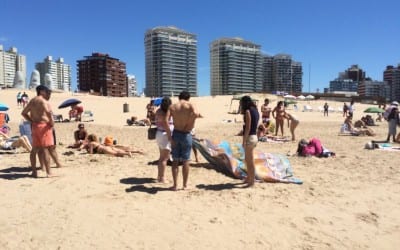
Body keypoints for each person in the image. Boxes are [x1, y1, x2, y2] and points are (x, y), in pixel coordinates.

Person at [165, 91, 202, 191]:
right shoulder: (190, 105)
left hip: (176, 133)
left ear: (179, 97)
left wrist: (169, 137)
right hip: (186, 134)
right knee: (186, 160)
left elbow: (166, 121)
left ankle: (175, 185)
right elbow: (195, 113)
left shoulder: (172, 107)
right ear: (188, 98)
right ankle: (185, 185)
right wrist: (188, 124)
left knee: (175, 160)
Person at [21, 85, 55, 177]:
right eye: (46, 91)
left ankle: (34, 172)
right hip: (44, 126)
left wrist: (31, 121)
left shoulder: (32, 100)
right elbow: (48, 112)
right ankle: (49, 172)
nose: (48, 93)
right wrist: (52, 123)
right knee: (45, 149)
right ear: (41, 91)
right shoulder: (43, 101)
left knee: (34, 149)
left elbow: (23, 113)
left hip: (35, 125)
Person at [240, 95, 259, 187]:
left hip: (250, 137)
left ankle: (252, 181)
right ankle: (249, 178)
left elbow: (247, 127)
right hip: (254, 136)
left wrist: (244, 140)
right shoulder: (256, 110)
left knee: (250, 161)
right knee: (248, 160)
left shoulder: (248, 111)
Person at [155, 97, 173, 182]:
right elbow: (166, 124)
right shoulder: (165, 113)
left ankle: (160, 176)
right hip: (165, 135)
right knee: (164, 158)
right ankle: (161, 178)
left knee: (161, 157)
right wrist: (170, 136)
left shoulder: (158, 111)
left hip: (159, 133)